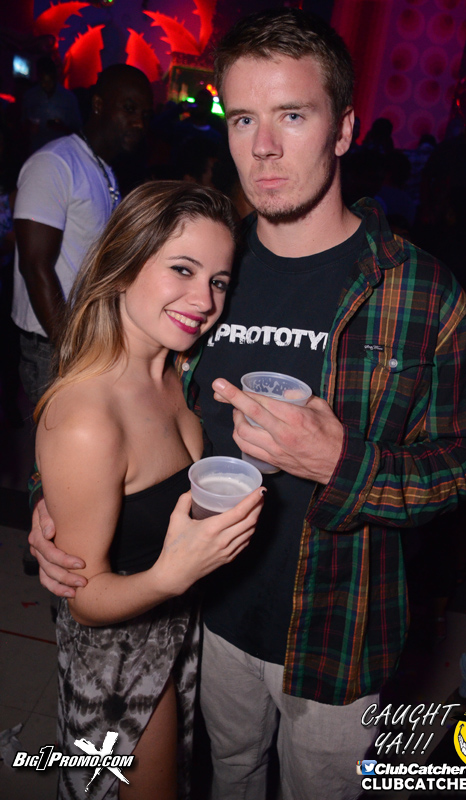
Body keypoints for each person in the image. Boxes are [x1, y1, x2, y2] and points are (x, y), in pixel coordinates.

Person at [30, 9, 466, 800]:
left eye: (292, 116)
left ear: (343, 130)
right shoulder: (210, 267)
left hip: (335, 638)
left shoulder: (419, 291)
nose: (264, 147)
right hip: (207, 623)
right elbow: (127, 395)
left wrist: (342, 464)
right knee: (227, 779)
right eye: (243, 118)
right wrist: (65, 501)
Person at [34, 180, 264, 800]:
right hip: (121, 658)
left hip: (178, 629)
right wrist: (173, 574)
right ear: (124, 264)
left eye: (219, 281)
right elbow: (83, 599)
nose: (205, 300)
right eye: (182, 270)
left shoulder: (178, 368)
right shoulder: (87, 418)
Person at [12, 64, 153, 407]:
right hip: (53, 345)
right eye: (129, 109)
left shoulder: (103, 169)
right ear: (99, 105)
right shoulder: (55, 163)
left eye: (145, 114)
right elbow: (34, 266)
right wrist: (69, 350)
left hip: (85, 340)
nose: (138, 122)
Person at [22, 56, 82, 154]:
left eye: (49, 81)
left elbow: (78, 129)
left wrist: (62, 127)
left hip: (60, 152)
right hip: (36, 151)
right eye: (43, 81)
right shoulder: (30, 96)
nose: (46, 85)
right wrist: (29, 126)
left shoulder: (69, 98)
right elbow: (23, 122)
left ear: (55, 77)